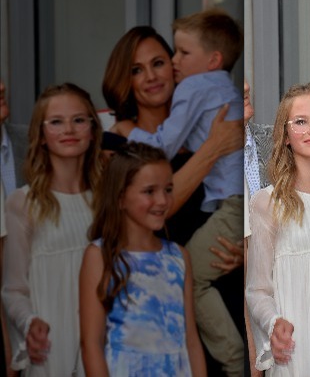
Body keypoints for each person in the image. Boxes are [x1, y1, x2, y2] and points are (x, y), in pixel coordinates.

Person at [102, 24, 245, 375]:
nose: (151, 76)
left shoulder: (209, 121)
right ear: (125, 80)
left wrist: (245, 246)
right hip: (157, 293)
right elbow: (154, 212)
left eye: (159, 62)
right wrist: (212, 149)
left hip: (217, 280)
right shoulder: (116, 142)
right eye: (137, 70)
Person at [246, 83, 310, 376]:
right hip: (297, 347)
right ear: (286, 135)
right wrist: (274, 323)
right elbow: (257, 289)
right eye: (300, 122)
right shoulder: (267, 203)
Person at [79, 142, 206, 376]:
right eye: (149, 191)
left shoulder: (179, 257)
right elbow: (91, 344)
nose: (162, 200)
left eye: (168, 189)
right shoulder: (99, 256)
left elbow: (191, 341)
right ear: (119, 197)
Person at [2, 83, 103, 376]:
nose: (69, 129)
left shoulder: (109, 198)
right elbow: (13, 289)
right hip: (52, 346)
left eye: (79, 120)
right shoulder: (22, 203)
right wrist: (30, 322)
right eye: (56, 121)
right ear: (41, 135)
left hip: (107, 341)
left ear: (93, 128)